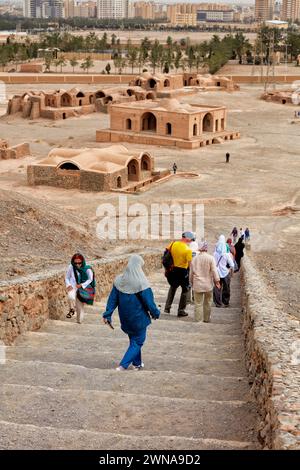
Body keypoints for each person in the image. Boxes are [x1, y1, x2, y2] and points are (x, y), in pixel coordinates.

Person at [102, 254, 160, 371]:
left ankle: (137, 364)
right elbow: (150, 303)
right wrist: (156, 313)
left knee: (133, 340)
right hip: (139, 318)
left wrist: (107, 314)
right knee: (138, 341)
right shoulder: (142, 284)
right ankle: (123, 365)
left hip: (125, 318)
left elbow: (112, 300)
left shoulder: (119, 281)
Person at [189, 241, 220, 323]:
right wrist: (217, 281)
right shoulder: (211, 258)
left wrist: (191, 282)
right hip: (208, 284)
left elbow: (191, 273)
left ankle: (198, 320)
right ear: (206, 248)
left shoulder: (194, 259)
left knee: (198, 303)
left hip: (197, 284)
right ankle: (206, 319)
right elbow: (214, 271)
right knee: (208, 302)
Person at [164, 231, 193, 317]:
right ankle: (181, 310)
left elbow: (166, 255)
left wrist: (166, 269)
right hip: (183, 271)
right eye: (191, 240)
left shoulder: (173, 244)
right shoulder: (188, 250)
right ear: (187, 238)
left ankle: (167, 307)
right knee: (185, 290)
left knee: (172, 288)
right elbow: (190, 264)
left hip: (172, 269)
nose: (190, 242)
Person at [65, 253, 95, 324]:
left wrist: (82, 285)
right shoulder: (71, 267)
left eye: (79, 263)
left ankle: (79, 321)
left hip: (82, 289)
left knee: (79, 306)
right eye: (76, 263)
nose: (77, 265)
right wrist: (68, 285)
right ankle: (72, 309)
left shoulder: (87, 269)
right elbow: (67, 277)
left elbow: (90, 279)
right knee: (70, 297)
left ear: (82, 261)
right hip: (73, 286)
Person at [213, 235, 234, 308]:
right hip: (225, 273)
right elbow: (232, 264)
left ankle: (218, 303)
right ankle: (225, 302)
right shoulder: (227, 255)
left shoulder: (215, 254)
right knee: (226, 287)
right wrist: (229, 270)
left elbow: (213, 264)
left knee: (217, 287)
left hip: (217, 273)